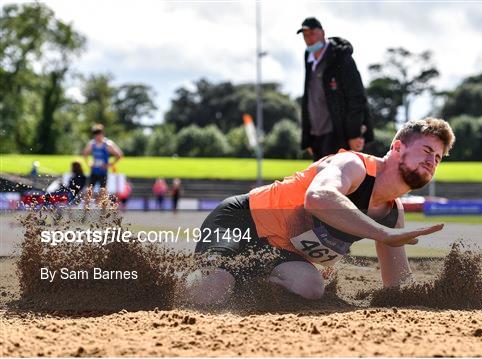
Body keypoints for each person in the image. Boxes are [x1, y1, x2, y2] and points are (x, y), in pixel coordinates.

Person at [185, 118, 455, 305]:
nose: (432, 161)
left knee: (311, 288)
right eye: (427, 150)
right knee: (213, 288)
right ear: (398, 147)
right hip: (243, 220)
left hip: (281, 252)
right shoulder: (354, 165)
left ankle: (243, 279)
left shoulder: (391, 214)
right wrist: (381, 233)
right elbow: (318, 197)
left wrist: (440, 295)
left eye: (438, 158)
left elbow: (398, 285)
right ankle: (161, 281)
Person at [298, 17, 374, 161]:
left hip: (338, 135)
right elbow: (309, 97)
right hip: (317, 136)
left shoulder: (341, 58)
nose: (309, 39)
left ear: (322, 33)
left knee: (341, 180)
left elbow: (357, 97)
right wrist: (307, 138)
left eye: (312, 33)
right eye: (305, 35)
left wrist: (354, 134)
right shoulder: (308, 57)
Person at [82, 124, 123, 192]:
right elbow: (85, 153)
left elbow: (119, 155)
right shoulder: (92, 144)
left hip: (103, 172)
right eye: (95, 134)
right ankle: (87, 203)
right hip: (94, 171)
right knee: (89, 192)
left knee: (102, 193)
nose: (97, 136)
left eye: (98, 134)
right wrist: (88, 162)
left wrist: (110, 164)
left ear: (102, 134)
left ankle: (100, 203)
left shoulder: (108, 144)